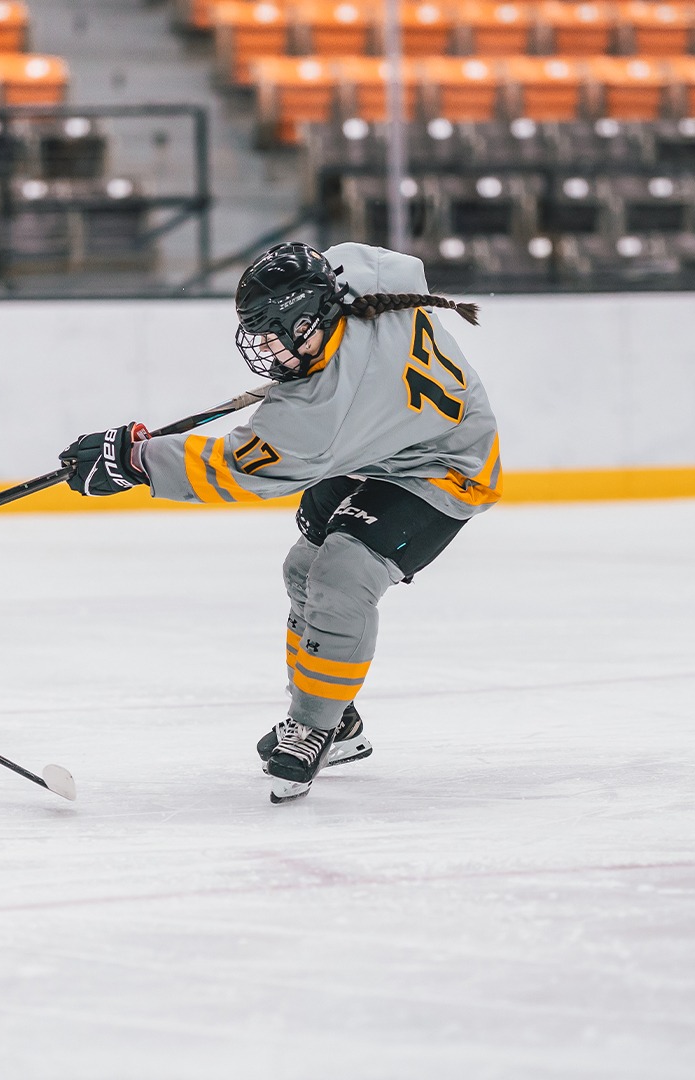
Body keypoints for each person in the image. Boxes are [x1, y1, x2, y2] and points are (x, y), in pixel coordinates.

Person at [59, 242, 501, 804]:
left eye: (275, 334)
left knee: (342, 576)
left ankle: (316, 725)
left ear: (312, 319)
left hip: (443, 467)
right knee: (302, 570)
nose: (266, 348)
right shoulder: (356, 277)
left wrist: (134, 463)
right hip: (378, 444)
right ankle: (342, 720)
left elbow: (238, 470)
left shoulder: (322, 414)